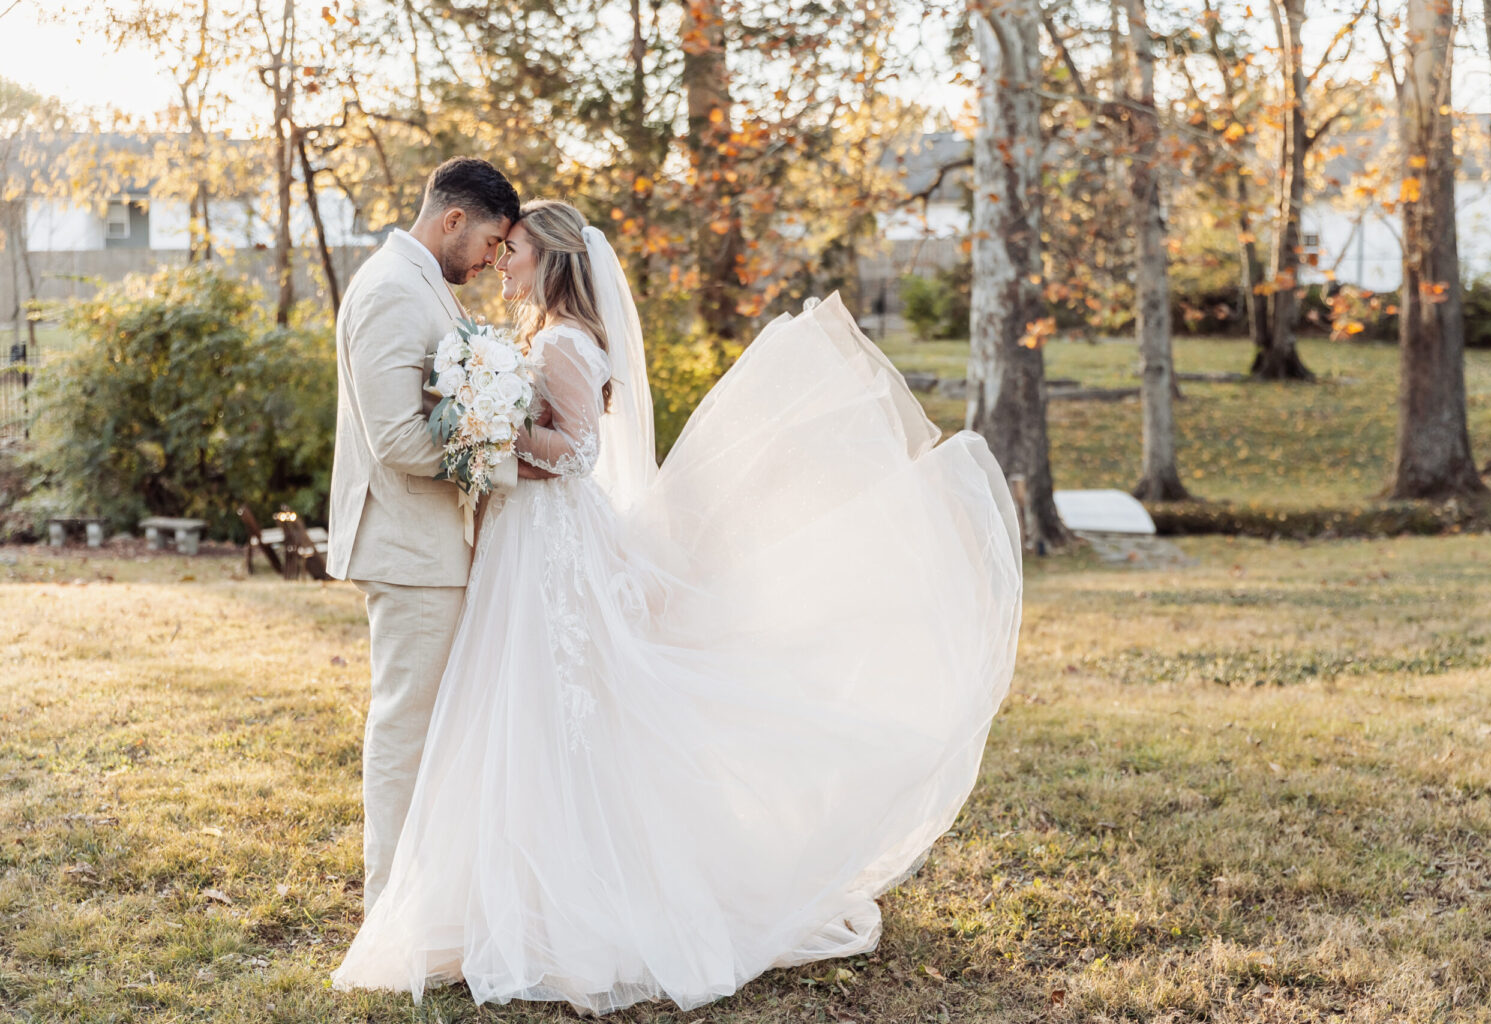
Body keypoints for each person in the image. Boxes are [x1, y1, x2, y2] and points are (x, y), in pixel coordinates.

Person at [331, 199, 1024, 1014]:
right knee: (520, 716)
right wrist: (494, 423)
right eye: (498, 246)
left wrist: (495, 433)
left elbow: (579, 453)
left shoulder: (557, 341)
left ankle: (545, 902)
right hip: (524, 542)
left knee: (557, 716)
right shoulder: (523, 331)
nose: (500, 264)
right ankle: (479, 893)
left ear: (549, 259)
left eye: (511, 250)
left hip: (545, 541)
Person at [325, 157, 525, 913]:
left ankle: (429, 899)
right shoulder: (388, 291)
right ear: (453, 221)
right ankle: (391, 913)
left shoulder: (425, 286)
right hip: (408, 549)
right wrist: (505, 456)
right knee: (406, 729)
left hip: (435, 544)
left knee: (434, 726)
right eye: (491, 244)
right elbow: (399, 442)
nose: (493, 261)